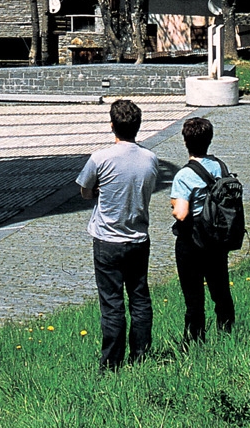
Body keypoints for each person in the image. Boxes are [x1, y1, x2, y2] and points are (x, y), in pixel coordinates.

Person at [75, 97, 159, 369]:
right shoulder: (151, 159)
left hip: (107, 240)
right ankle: (141, 356)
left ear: (112, 126)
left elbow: (85, 191)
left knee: (112, 303)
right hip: (138, 238)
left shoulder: (100, 158)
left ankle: (111, 363)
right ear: (138, 126)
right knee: (140, 299)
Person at [169, 115, 236, 342]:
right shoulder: (220, 166)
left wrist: (173, 206)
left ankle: (195, 341)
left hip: (193, 241)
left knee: (194, 297)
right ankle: (227, 334)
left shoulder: (184, 175)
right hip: (218, 238)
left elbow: (182, 212)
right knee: (221, 292)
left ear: (185, 142)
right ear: (210, 139)